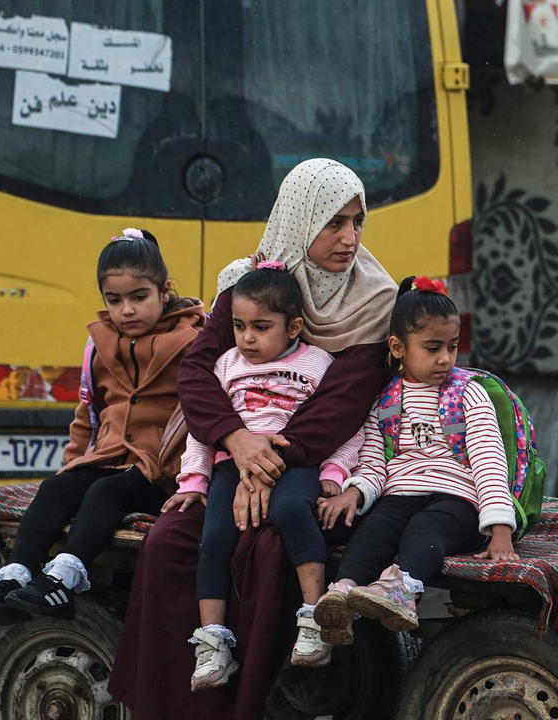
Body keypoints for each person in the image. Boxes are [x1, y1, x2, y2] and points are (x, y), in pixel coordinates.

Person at [109, 159, 398, 720]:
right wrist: (237, 443)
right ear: (299, 220)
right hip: (231, 455)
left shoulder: (373, 300)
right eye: (333, 223)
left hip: (313, 466)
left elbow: (341, 405)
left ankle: (252, 708)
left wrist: (264, 464)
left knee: (266, 550)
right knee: (170, 541)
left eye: (357, 222)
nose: (350, 238)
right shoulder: (251, 283)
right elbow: (198, 372)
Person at [0, 229, 205, 623]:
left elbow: (205, 413)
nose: (126, 310)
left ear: (165, 291)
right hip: (110, 457)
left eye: (138, 297)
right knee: (58, 486)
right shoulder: (99, 346)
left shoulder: (193, 342)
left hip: (164, 472)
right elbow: (87, 416)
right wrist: (74, 463)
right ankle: (15, 577)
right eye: (115, 301)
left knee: (105, 492)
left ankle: (63, 581)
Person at [163, 264, 362, 689]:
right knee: (215, 536)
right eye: (238, 326)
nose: (247, 338)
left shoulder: (317, 364)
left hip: (296, 463)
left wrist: (335, 470)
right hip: (229, 465)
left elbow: (346, 423)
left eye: (260, 327)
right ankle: (213, 643)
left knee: (292, 510)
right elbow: (205, 428)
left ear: (293, 327)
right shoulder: (225, 365)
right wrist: (194, 482)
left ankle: (315, 619)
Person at [313, 277, 519, 644]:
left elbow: (490, 461)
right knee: (374, 530)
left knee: (425, 530)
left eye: (452, 347)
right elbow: (375, 461)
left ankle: (402, 591)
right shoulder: (385, 400)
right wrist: (355, 493)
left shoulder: (467, 394)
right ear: (397, 347)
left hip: (458, 501)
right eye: (432, 347)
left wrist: (501, 527)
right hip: (400, 494)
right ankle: (342, 594)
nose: (445, 359)